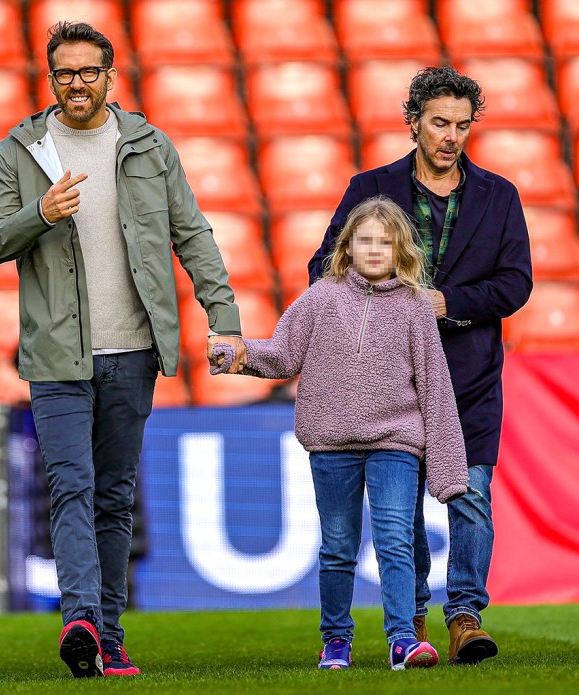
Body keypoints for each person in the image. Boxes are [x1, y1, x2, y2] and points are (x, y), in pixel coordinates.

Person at [0, 21, 246, 678]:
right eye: (65, 73)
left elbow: (194, 236)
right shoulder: (22, 149)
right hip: (56, 354)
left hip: (133, 351)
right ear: (51, 78)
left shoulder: (149, 146)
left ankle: (110, 638)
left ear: (109, 76)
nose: (77, 84)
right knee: (72, 485)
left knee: (114, 495)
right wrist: (39, 212)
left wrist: (224, 316)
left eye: (89, 71)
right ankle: (82, 621)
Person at [308, 66, 533, 665]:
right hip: (392, 384)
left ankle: (465, 616)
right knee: (399, 510)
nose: (451, 136)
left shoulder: (500, 196)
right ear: (414, 122)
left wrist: (447, 303)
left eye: (462, 125)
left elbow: (517, 284)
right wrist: (382, 295)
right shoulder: (370, 186)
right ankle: (409, 620)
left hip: (470, 377)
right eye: (439, 123)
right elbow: (321, 268)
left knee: (471, 497)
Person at [212, 195, 468, 670]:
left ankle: (402, 640)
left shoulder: (415, 306)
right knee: (337, 546)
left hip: (396, 442)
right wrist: (240, 354)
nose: (374, 250)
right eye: (365, 241)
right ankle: (335, 640)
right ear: (347, 247)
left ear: (400, 251)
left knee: (393, 540)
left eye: (384, 243)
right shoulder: (320, 297)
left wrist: (448, 469)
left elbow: (436, 386)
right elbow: (285, 355)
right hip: (331, 444)